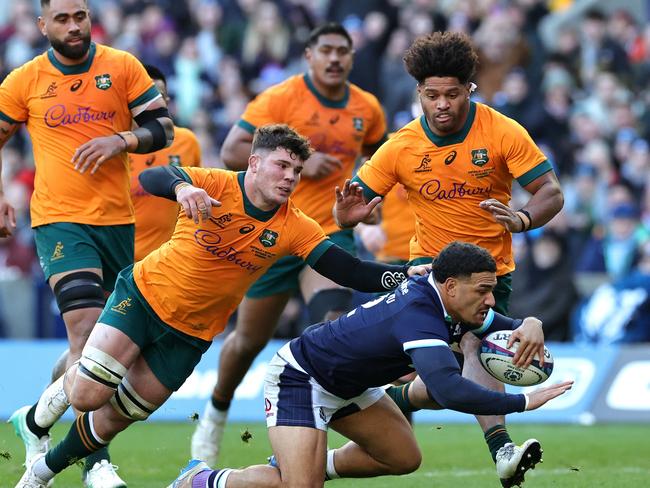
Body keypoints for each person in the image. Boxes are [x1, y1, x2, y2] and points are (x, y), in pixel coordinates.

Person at [15, 124, 429, 488]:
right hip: (142, 297)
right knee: (88, 395)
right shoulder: (214, 184)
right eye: (282, 166)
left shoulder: (294, 225)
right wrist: (182, 187)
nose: (290, 178)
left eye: (297, 171)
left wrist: (403, 274)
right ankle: (37, 418)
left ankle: (39, 476)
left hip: (191, 335)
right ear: (253, 162)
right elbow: (158, 175)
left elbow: (349, 270)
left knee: (111, 420)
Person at [332, 31, 564, 485]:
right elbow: (356, 202)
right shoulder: (401, 146)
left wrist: (520, 219)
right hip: (430, 277)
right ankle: (503, 451)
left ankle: (386, 403)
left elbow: (551, 193)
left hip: (491, 272)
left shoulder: (501, 130)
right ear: (419, 92)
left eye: (452, 94)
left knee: (443, 388)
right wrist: (349, 216)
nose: (442, 104)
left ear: (469, 90)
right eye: (432, 94)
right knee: (474, 346)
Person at [168, 241, 574, 488]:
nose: (490, 300)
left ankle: (302, 459)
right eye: (484, 290)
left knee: (402, 458)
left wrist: (530, 323)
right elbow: (449, 388)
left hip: (349, 385)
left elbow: (499, 324)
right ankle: (203, 479)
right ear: (451, 286)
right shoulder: (419, 313)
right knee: (298, 486)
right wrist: (523, 403)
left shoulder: (447, 300)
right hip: (302, 377)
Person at [191, 22, 387, 465]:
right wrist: (303, 163)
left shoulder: (367, 108)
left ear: (352, 58)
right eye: (327, 50)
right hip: (274, 233)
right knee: (246, 341)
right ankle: (216, 413)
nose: (335, 58)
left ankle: (307, 434)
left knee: (331, 326)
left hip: (326, 234)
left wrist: (373, 207)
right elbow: (231, 152)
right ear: (309, 56)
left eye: (343, 51)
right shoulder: (281, 99)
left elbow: (380, 160)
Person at [0, 0, 173, 486]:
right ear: (42, 25)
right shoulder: (24, 80)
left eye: (80, 16)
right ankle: (95, 461)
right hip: (58, 221)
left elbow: (163, 127)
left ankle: (35, 418)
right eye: (62, 19)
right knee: (88, 333)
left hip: (118, 223)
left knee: (103, 346)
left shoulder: (121, 66)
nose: (74, 26)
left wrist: (122, 141)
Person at [130, 64, 201, 262]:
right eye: (143, 96)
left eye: (158, 96)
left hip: (173, 261)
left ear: (167, 101)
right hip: (124, 263)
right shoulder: (115, 145)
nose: (150, 103)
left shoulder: (187, 142)